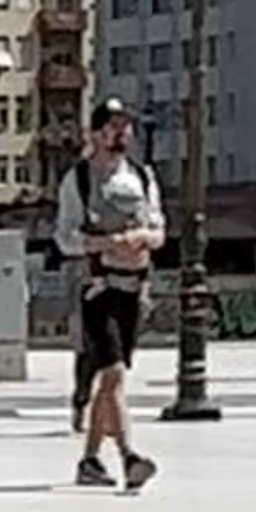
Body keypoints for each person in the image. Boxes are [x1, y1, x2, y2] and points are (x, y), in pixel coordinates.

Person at [58, 102, 164, 489]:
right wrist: (103, 244)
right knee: (114, 373)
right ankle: (129, 457)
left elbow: (158, 230)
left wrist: (140, 239)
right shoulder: (80, 179)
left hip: (134, 288)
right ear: (96, 133)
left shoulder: (141, 176)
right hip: (97, 287)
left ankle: (89, 460)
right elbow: (65, 236)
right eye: (113, 126)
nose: (121, 134)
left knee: (110, 382)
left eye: (125, 127)